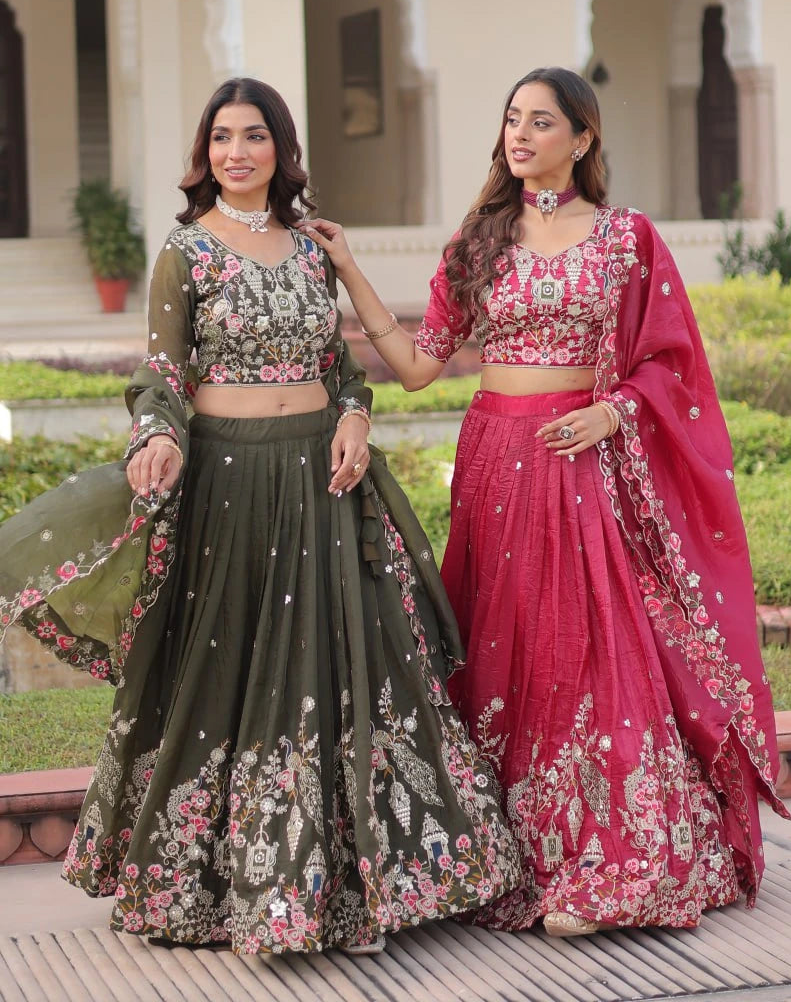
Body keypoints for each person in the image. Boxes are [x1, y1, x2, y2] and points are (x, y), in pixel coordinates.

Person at [0, 77, 520, 955]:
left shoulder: (313, 249)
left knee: (334, 670)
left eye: (252, 136)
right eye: (220, 138)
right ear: (204, 154)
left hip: (320, 480)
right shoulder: (185, 251)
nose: (235, 152)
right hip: (230, 483)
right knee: (228, 669)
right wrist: (155, 436)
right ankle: (228, 886)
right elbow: (163, 372)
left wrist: (353, 418)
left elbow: (343, 367)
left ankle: (344, 887)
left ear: (281, 148)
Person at [303, 66, 789, 938]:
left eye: (539, 121)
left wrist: (613, 410)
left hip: (582, 463)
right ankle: (504, 856)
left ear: (583, 136)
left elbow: (672, 363)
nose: (519, 135)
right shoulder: (480, 239)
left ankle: (607, 863)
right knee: (504, 646)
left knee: (591, 650)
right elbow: (416, 367)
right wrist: (348, 270)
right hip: (495, 463)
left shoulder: (626, 238)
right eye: (511, 120)